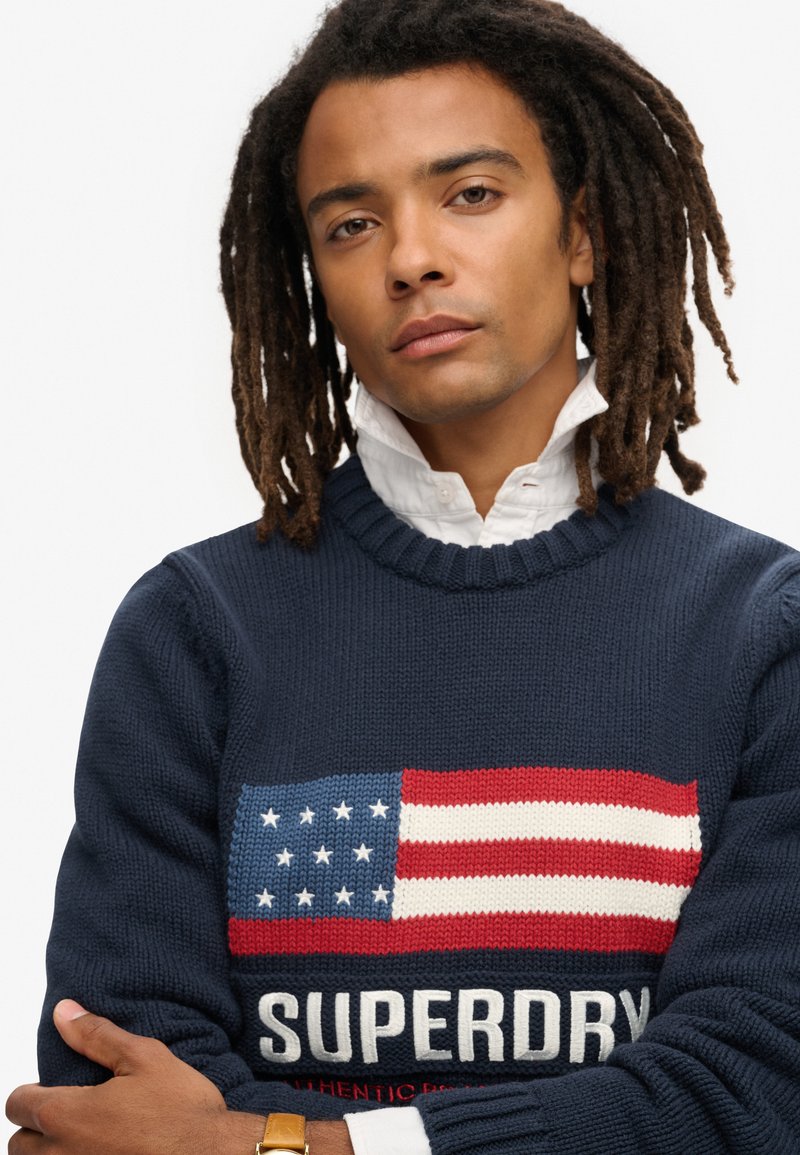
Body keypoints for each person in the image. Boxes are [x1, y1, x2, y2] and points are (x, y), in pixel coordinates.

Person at [6, 0, 800, 1151]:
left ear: (582, 233)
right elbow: (122, 1092)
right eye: (350, 224)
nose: (410, 258)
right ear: (312, 276)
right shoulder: (193, 631)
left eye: (469, 194)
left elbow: (748, 1090)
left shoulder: (764, 631)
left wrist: (289, 1147)